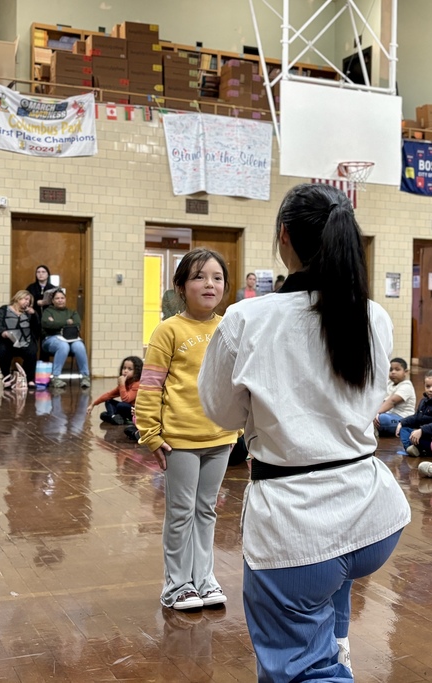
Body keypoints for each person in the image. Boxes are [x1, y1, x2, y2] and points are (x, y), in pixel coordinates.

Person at [197, 183, 410, 681]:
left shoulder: (248, 319)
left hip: (299, 525)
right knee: (329, 591)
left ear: (284, 237)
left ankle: (326, 664)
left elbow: (223, 416)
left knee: (301, 671)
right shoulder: (372, 315)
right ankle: (337, 646)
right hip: (371, 517)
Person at [135, 247, 240, 612]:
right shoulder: (168, 330)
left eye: (216, 278)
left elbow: (237, 382)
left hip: (221, 438)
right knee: (181, 511)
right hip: (178, 440)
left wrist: (239, 427)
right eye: (199, 277)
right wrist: (150, 433)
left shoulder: (229, 327)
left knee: (206, 509)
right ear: (181, 286)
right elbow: (149, 386)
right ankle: (176, 584)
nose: (209, 284)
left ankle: (204, 579)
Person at [0, 290, 38, 390]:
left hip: (24, 340)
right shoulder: (4, 309)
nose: (27, 302)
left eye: (29, 301)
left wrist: (34, 314)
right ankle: (7, 378)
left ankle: (29, 378)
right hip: (7, 340)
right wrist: (3, 332)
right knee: (3, 351)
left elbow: (36, 327)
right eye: (25, 299)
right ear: (18, 298)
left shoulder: (29, 313)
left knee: (32, 351)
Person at [40, 290, 91, 389]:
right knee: (63, 346)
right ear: (53, 301)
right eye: (57, 298)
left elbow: (77, 325)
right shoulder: (48, 311)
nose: (60, 300)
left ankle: (85, 377)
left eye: (62, 298)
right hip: (51, 338)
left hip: (71, 338)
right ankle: (56, 377)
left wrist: (55, 322)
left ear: (65, 299)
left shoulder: (72, 312)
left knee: (79, 346)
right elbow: (46, 324)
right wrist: (67, 322)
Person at [88, 356, 142, 425]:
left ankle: (114, 417)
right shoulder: (125, 383)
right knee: (107, 402)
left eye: (130, 369)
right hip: (125, 409)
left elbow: (126, 400)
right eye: (124, 368)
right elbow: (109, 395)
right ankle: (114, 417)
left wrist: (122, 384)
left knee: (121, 405)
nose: (125, 371)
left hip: (134, 411)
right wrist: (93, 404)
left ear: (137, 372)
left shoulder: (137, 384)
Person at [373, 357, 416, 437]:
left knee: (383, 419)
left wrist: (376, 413)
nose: (393, 372)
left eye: (397, 369)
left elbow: (392, 401)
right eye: (391, 370)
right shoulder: (389, 384)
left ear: (406, 372)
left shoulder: (407, 386)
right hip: (390, 415)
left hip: (402, 419)